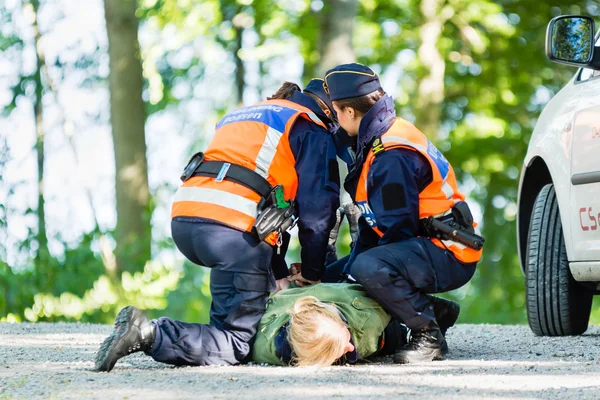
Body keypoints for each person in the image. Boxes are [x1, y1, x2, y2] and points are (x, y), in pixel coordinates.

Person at [95, 81, 341, 372]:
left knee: (232, 322)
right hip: (232, 231)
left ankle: (174, 338)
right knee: (237, 342)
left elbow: (266, 198)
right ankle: (147, 334)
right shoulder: (310, 125)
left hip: (188, 219)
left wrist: (276, 274)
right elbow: (318, 213)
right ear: (328, 109)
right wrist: (313, 273)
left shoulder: (251, 114)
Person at [320, 63, 484, 364]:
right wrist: (345, 273)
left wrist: (362, 273)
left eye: (336, 113)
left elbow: (399, 230)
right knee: (335, 276)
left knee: (368, 268)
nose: (335, 121)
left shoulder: (390, 154)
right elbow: (377, 225)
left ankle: (428, 334)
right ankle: (436, 310)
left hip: (448, 251)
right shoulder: (376, 139)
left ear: (351, 112)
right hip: (423, 245)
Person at [251, 283, 460, 367]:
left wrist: (421, 319)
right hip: (321, 295)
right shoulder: (265, 348)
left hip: (358, 298)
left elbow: (388, 299)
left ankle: (433, 310)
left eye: (347, 338)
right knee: (392, 341)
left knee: (393, 323)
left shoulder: (366, 320)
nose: (352, 347)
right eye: (344, 352)